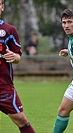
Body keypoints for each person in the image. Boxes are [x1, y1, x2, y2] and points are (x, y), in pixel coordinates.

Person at [0, 0, 35, 132]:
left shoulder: (9, 30)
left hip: (3, 86)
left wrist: (14, 57)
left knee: (21, 119)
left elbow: (18, 56)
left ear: (2, 7)